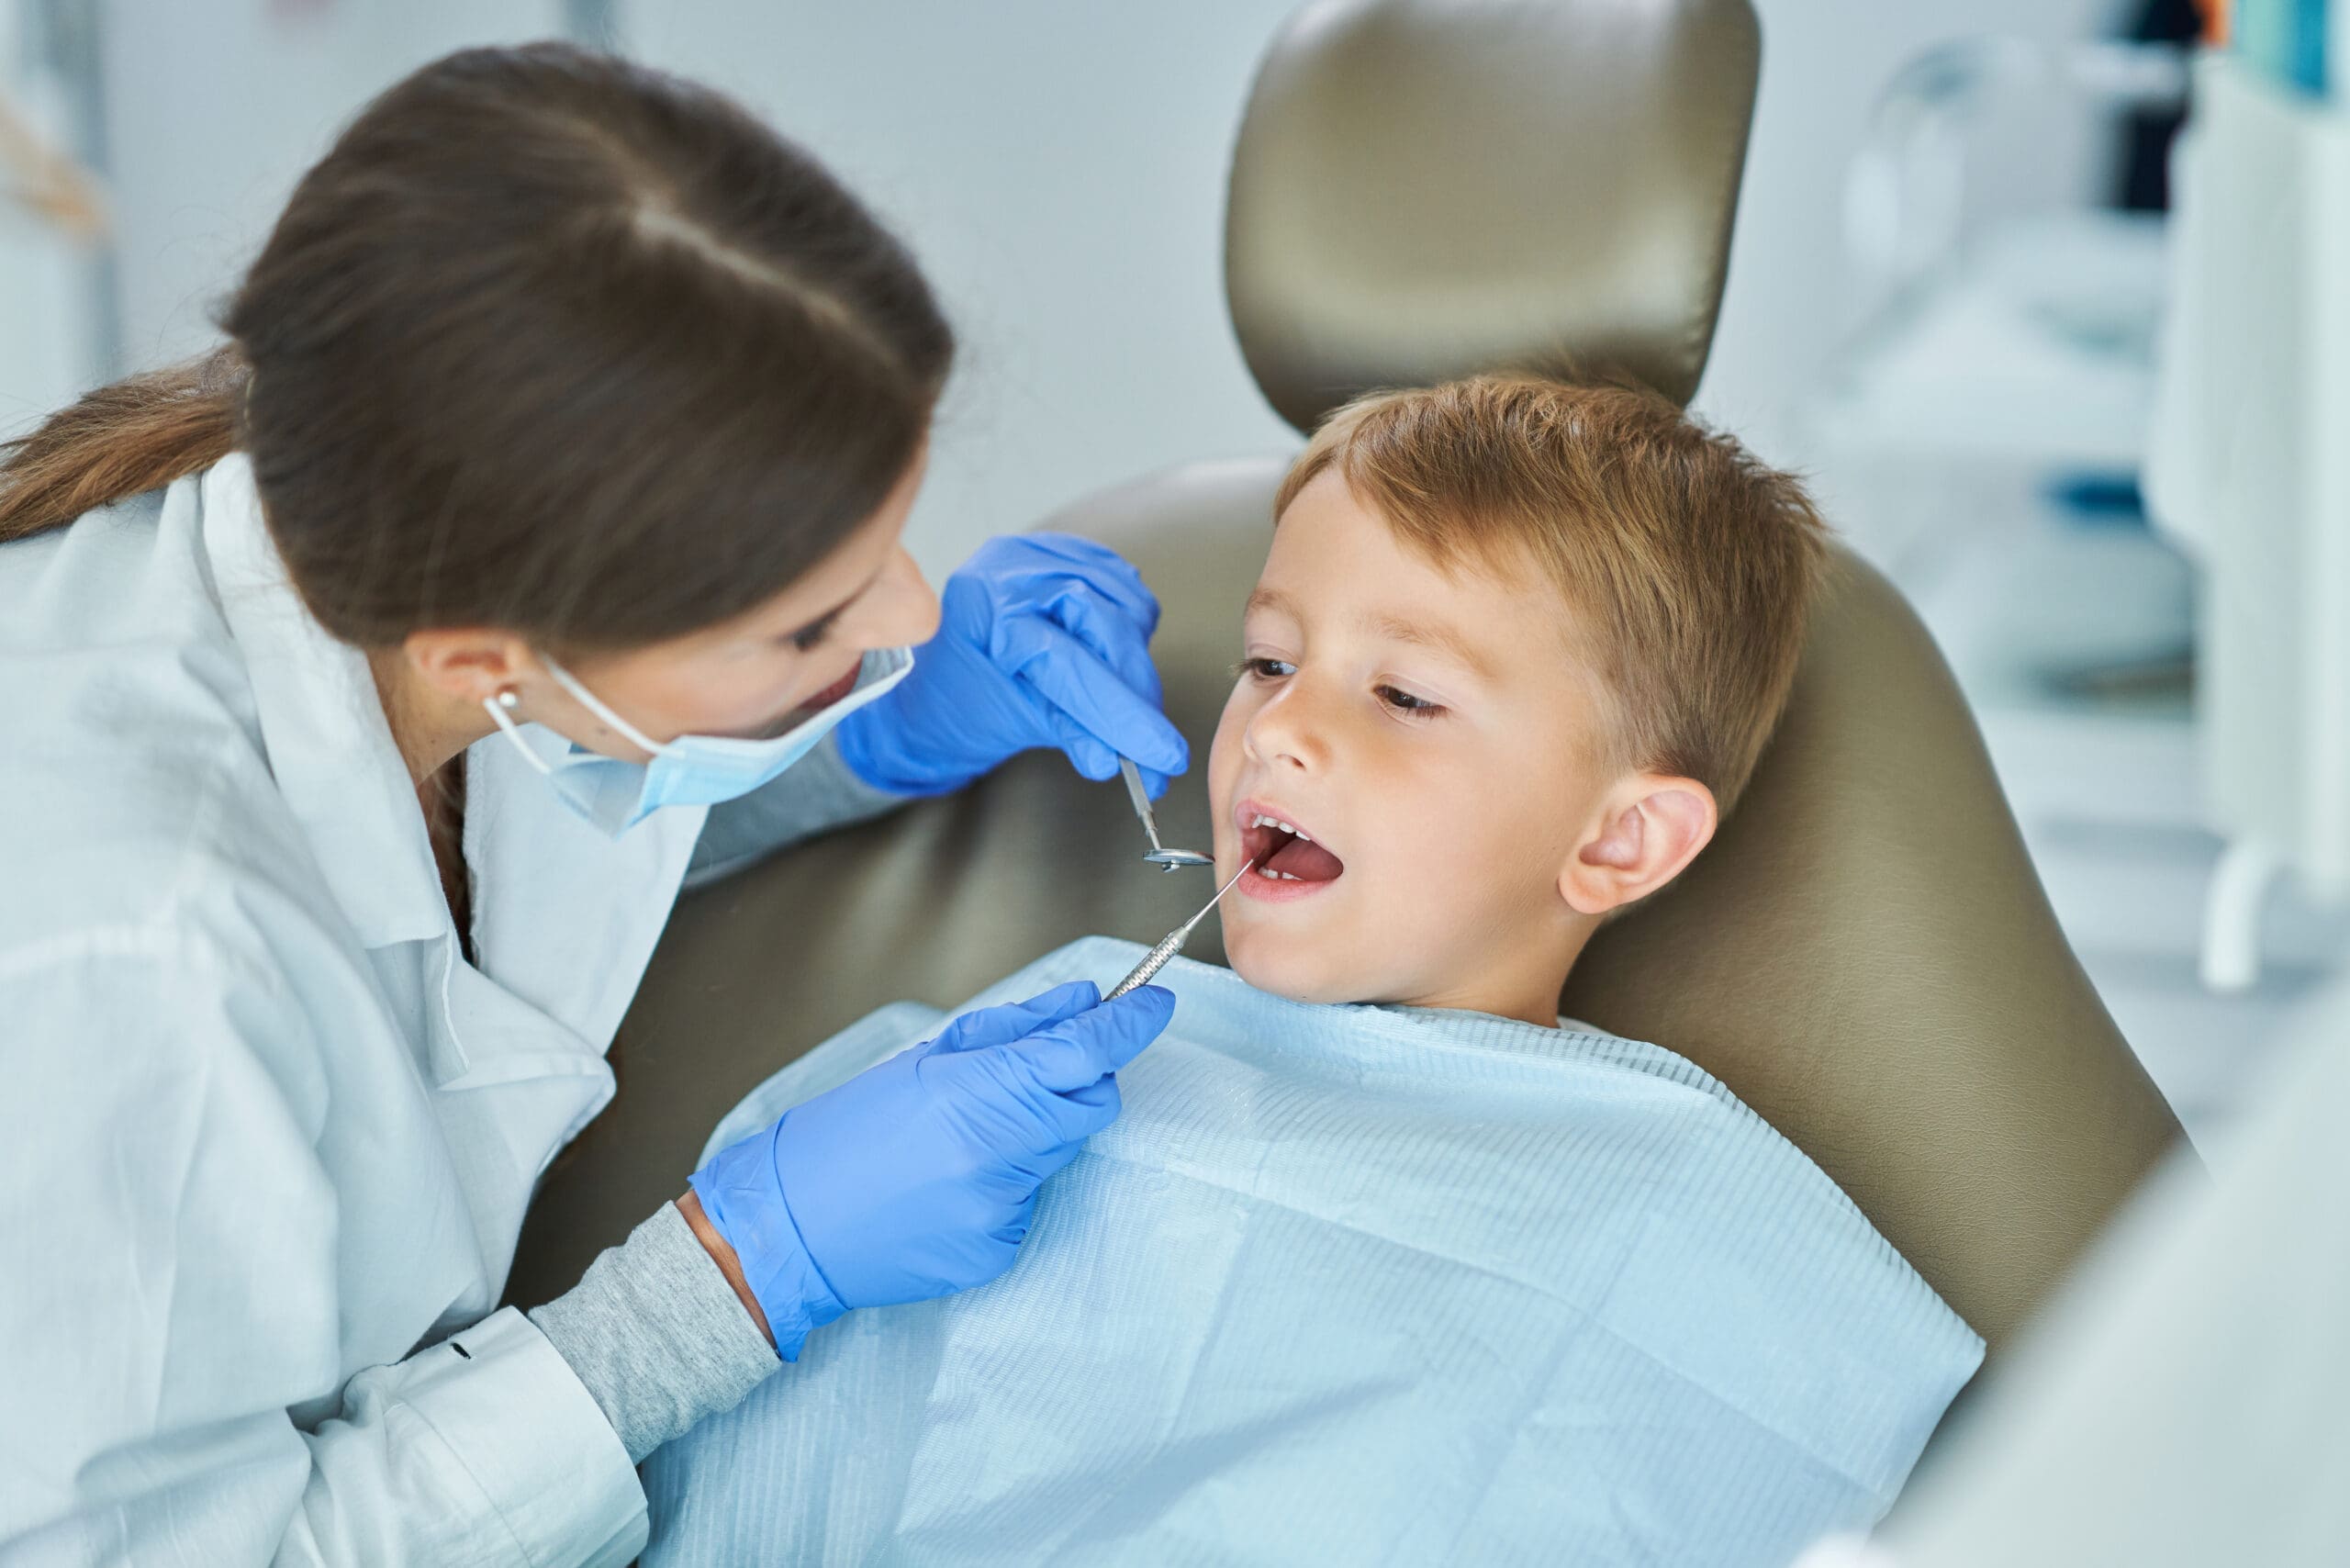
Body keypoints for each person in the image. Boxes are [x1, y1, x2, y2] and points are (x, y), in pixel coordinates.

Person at [0, 43, 1193, 1568]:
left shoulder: (393, 572)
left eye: (889, 546)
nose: (907, 619)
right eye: (812, 623)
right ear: (487, 653)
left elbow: (517, 841)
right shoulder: (127, 945)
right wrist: (726, 1289)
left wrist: (862, 740)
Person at [635, 378, 1985, 1566]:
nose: (1280, 727)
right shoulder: (1017, 1058)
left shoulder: (1693, 1225)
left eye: (1405, 695)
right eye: (1268, 660)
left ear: (1622, 839)